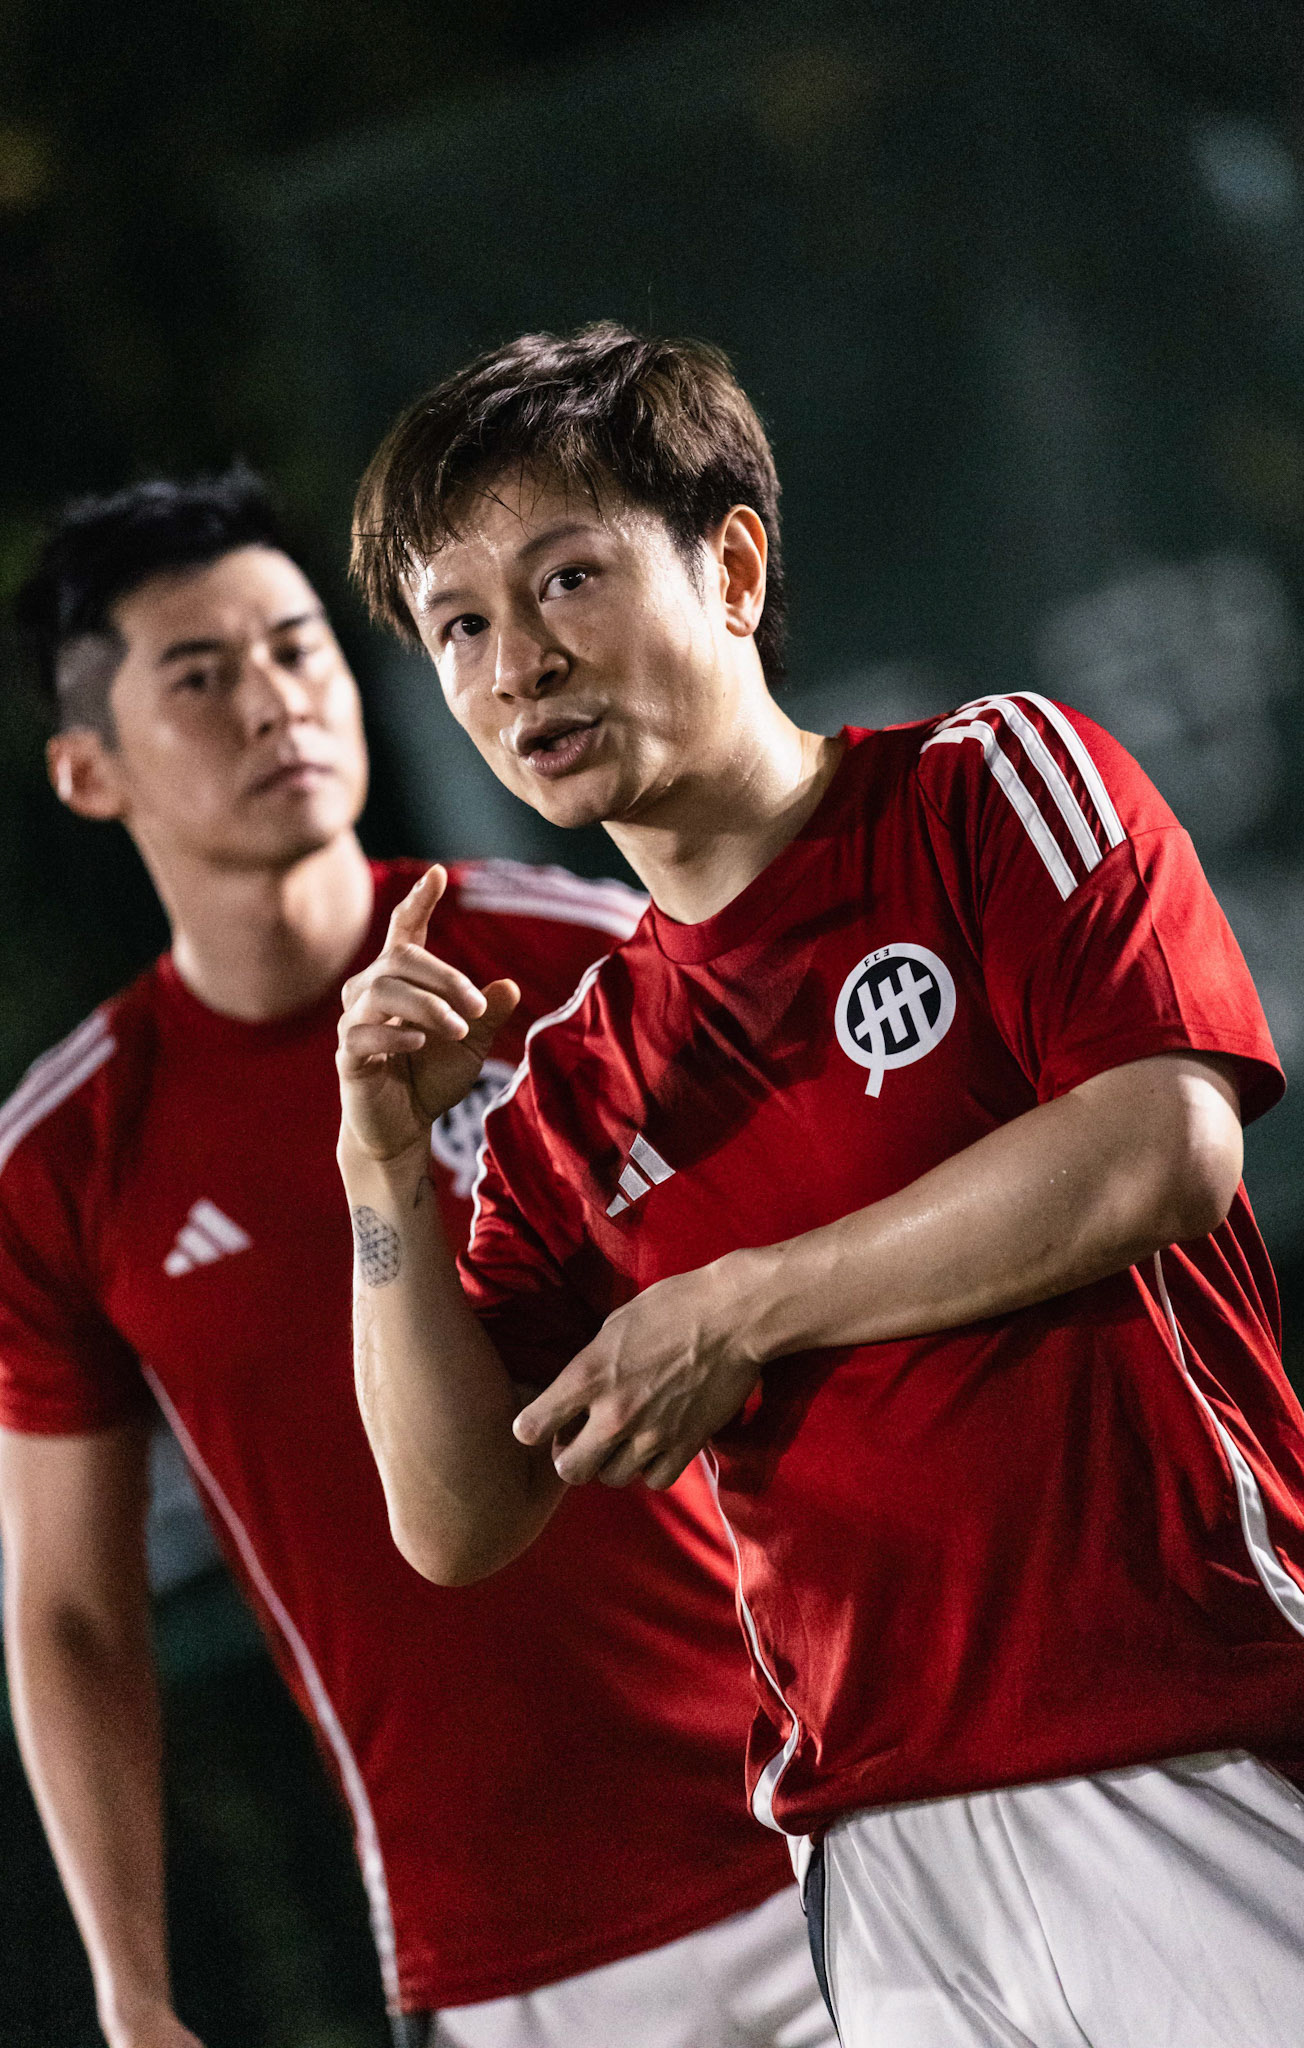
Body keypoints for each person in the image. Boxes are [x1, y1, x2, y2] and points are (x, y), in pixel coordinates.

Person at [339, 323, 1304, 2048]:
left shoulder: (987, 788)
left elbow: (1161, 1146)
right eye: (458, 626)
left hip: (1197, 1749)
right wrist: (378, 1170)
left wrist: (742, 1305)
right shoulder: (570, 1089)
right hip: (883, 1874)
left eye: (567, 577)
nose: (519, 665)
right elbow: (456, 1519)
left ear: (733, 568)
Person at [0, 471, 832, 2048]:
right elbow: (71, 1617)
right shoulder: (63, 1163)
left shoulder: (585, 964)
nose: (276, 701)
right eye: (201, 676)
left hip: (829, 1822)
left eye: (296, 647)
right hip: (498, 1955)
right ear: (89, 770)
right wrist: (132, 1995)